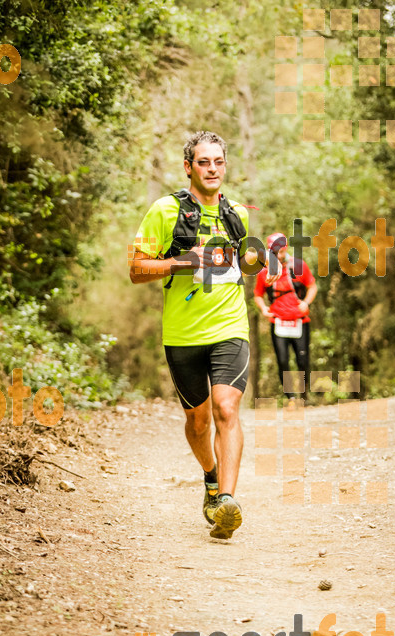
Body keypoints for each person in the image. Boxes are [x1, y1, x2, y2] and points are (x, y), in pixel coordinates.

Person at [129, 131, 274, 539]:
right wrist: (182, 262)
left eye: (218, 162)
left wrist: (252, 259)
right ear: (189, 166)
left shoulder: (237, 214)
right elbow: (137, 269)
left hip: (230, 326)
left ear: (225, 165)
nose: (212, 169)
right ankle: (211, 480)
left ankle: (227, 502)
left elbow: (242, 262)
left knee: (226, 409)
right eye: (204, 162)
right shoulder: (164, 211)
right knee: (198, 420)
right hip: (183, 334)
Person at [254, 233, 317, 401]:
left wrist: (306, 303)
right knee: (283, 361)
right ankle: (291, 397)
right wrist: (263, 308)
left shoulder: (298, 265)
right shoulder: (263, 272)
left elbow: (312, 286)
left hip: (299, 320)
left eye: (281, 252)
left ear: (285, 248)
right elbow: (258, 295)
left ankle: (304, 394)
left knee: (302, 360)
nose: (279, 256)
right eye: (274, 252)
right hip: (278, 321)